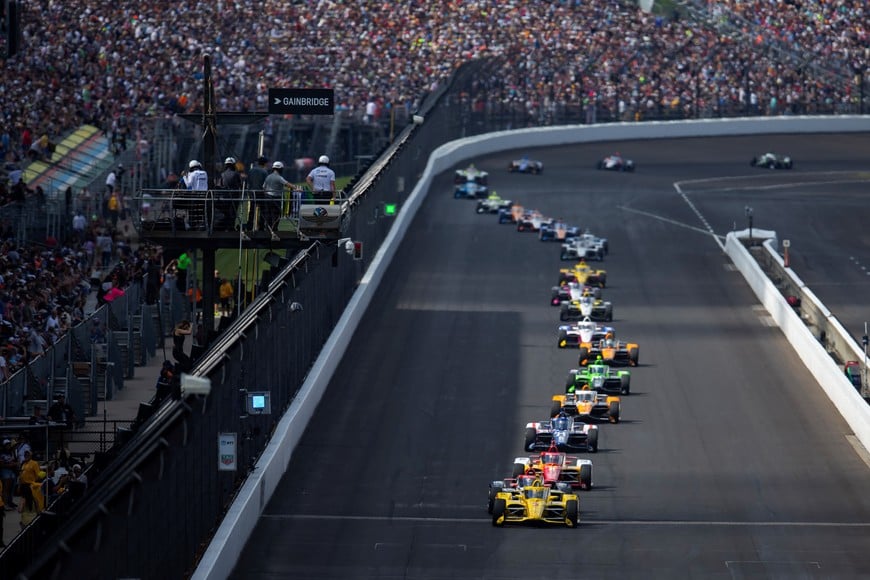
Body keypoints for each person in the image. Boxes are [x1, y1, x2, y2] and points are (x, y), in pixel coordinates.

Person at [263, 161, 292, 241]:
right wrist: (297, 188)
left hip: (267, 197)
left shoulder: (268, 177)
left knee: (268, 214)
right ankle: (274, 229)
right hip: (276, 198)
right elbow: (287, 184)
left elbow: (263, 187)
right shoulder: (279, 177)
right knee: (276, 215)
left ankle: (268, 229)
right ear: (280, 169)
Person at [245, 155, 269, 233]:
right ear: (264, 163)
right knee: (262, 210)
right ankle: (261, 227)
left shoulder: (251, 170)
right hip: (261, 193)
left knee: (252, 210)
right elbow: (266, 184)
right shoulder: (264, 172)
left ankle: (249, 226)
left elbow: (248, 182)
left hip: (252, 193)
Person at [218, 157, 242, 229]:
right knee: (233, 213)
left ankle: (225, 227)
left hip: (224, 197)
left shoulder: (222, 174)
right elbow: (239, 185)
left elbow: (220, 185)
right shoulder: (236, 174)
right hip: (234, 197)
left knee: (226, 213)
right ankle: (231, 227)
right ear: (233, 165)